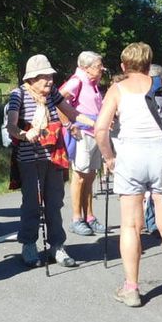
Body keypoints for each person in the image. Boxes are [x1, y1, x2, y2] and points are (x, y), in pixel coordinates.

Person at [95, 43, 162, 307]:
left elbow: (100, 130)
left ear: (124, 66)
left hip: (130, 156)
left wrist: (109, 157)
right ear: (150, 64)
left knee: (130, 226)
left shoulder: (117, 89)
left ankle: (132, 288)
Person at [6, 54, 96, 268]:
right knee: (32, 204)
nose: (49, 80)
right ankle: (28, 245)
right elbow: (11, 125)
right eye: (43, 76)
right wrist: (24, 134)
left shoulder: (52, 94)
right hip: (30, 159)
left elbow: (72, 113)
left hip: (54, 156)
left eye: (50, 76)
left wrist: (97, 122)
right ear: (31, 79)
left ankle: (57, 246)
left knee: (54, 203)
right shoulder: (18, 95)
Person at [58, 51, 105, 237]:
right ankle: (77, 219)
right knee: (79, 176)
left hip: (94, 132)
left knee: (90, 176)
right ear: (85, 67)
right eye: (98, 66)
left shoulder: (92, 83)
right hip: (82, 133)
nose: (101, 69)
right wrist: (69, 125)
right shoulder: (76, 81)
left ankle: (90, 217)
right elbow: (58, 102)